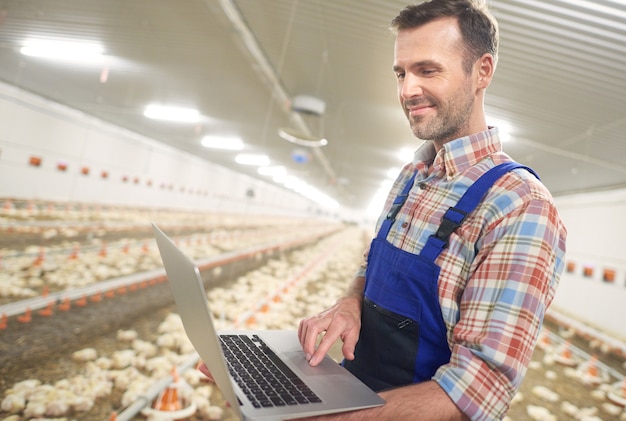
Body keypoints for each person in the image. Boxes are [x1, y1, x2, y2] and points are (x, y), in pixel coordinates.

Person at [296, 1, 567, 420]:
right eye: (401, 73)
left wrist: (324, 417)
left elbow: (479, 390)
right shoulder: (411, 176)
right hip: (354, 393)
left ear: (482, 71)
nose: (407, 90)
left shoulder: (519, 205)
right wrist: (351, 301)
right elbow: (374, 264)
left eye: (428, 70)